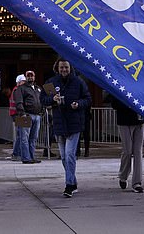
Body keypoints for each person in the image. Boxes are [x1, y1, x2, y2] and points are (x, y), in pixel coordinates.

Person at [42, 58, 91, 197]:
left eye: (66, 67)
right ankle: (73, 182)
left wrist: (78, 104)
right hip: (58, 123)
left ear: (71, 68)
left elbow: (87, 99)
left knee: (70, 155)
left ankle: (68, 186)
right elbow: (43, 99)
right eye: (62, 67)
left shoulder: (78, 82)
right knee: (64, 157)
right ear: (57, 68)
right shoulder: (51, 82)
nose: (64, 70)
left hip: (74, 123)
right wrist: (52, 100)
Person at [110, 95, 144, 193]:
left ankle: (137, 182)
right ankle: (123, 176)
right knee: (127, 151)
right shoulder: (120, 82)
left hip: (140, 120)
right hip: (125, 121)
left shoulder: (141, 84)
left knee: (138, 152)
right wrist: (128, 104)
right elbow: (114, 103)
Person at [13, 70, 43, 164]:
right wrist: (22, 113)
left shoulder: (38, 88)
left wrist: (42, 111)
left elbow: (42, 99)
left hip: (37, 115)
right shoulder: (20, 88)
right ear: (26, 77)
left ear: (34, 77)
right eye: (28, 75)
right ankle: (26, 157)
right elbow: (18, 101)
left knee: (33, 138)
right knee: (24, 138)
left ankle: (31, 156)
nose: (30, 77)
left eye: (32, 75)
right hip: (25, 115)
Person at [9, 74, 26, 161]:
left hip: (16, 114)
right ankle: (16, 153)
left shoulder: (16, 90)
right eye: (23, 81)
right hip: (18, 114)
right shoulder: (18, 90)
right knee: (21, 135)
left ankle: (17, 153)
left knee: (20, 134)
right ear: (19, 82)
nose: (25, 83)